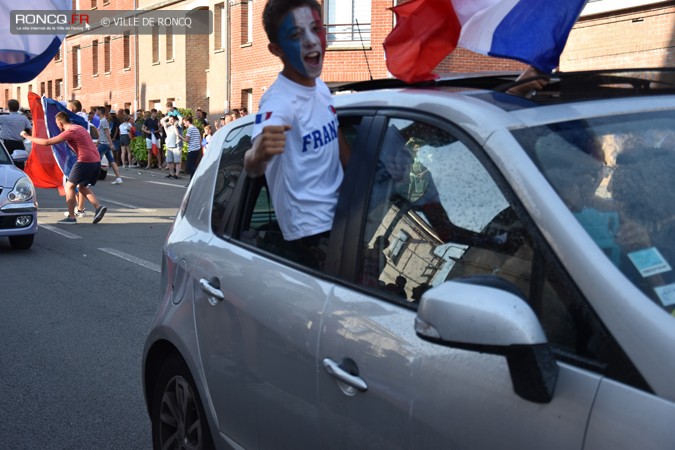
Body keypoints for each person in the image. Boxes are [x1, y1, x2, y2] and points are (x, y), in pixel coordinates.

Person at [244, 0, 350, 269]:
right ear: (276, 49)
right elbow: (253, 165)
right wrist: (259, 152)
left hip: (344, 217)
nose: (312, 41)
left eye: (316, 28)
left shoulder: (322, 88)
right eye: (296, 35)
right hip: (311, 236)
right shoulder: (278, 102)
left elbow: (339, 145)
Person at [20, 112, 107, 225]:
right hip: (96, 160)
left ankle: (71, 217)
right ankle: (98, 207)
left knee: (69, 186)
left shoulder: (70, 131)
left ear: (60, 122)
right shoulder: (79, 128)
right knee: (81, 187)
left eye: (57, 124)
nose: (57, 126)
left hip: (85, 160)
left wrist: (27, 137)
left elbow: (47, 142)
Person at [96, 106, 123, 184]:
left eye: (97, 111)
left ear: (100, 112)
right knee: (111, 161)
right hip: (104, 143)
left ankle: (91, 178)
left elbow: (107, 133)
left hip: (104, 144)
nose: (96, 112)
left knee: (96, 160)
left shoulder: (103, 121)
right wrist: (97, 143)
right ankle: (118, 178)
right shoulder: (102, 120)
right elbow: (102, 134)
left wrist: (111, 144)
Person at [161, 114, 181, 179]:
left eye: (172, 119)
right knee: (169, 161)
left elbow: (180, 118)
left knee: (177, 161)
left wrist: (176, 114)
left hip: (176, 146)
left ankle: (177, 174)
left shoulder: (178, 126)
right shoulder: (167, 127)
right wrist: (168, 116)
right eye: (170, 120)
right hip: (169, 146)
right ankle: (171, 174)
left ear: (175, 120)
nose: (171, 121)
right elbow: (162, 121)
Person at [182, 115, 202, 181]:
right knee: (193, 165)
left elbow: (187, 140)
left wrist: (180, 137)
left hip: (192, 149)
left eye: (184, 122)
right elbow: (200, 139)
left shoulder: (190, 129)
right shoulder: (196, 128)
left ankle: (195, 178)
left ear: (188, 122)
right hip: (197, 149)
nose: (184, 124)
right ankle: (192, 181)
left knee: (189, 166)